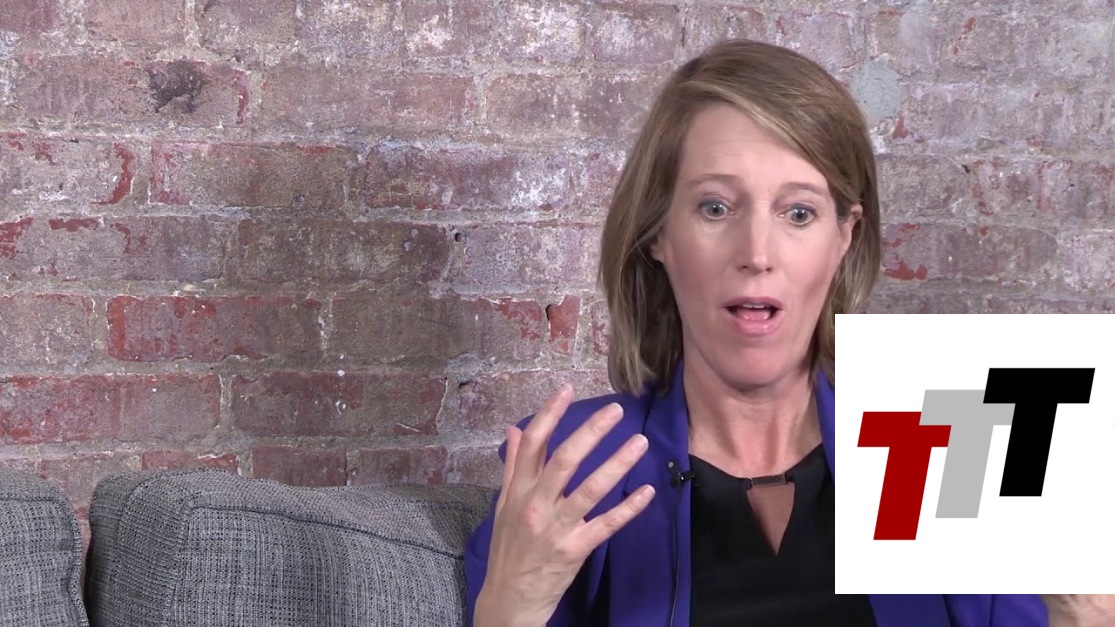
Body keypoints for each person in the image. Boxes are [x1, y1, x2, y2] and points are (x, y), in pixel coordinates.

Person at [463, 38, 1089, 627]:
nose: (757, 253)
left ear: (844, 236)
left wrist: (1088, 614)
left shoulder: (950, 439)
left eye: (798, 213)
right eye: (715, 207)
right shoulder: (575, 465)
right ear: (658, 235)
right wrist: (509, 610)